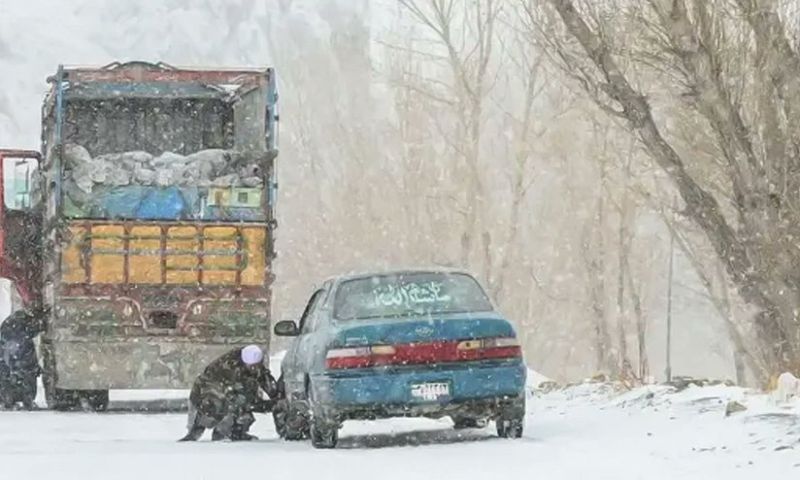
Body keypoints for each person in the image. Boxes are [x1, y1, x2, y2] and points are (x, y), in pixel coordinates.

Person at [179, 344, 278, 441]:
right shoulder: (230, 369)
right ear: (243, 361)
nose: (253, 369)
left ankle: (234, 433)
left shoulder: (252, 364)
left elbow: (265, 380)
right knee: (233, 407)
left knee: (239, 409)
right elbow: (247, 402)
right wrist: (270, 405)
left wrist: (277, 395)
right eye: (251, 366)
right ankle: (223, 433)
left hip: (215, 398)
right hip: (207, 400)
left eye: (255, 366)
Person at [0, 308, 45, 410]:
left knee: (8, 375)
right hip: (20, 358)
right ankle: (24, 399)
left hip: (10, 358)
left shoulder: (9, 325)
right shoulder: (24, 329)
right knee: (25, 373)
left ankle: (8, 399)